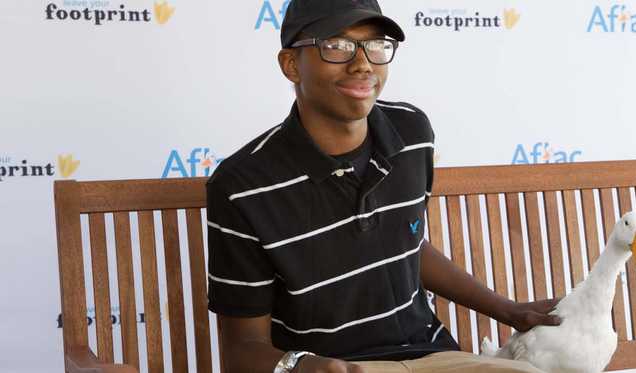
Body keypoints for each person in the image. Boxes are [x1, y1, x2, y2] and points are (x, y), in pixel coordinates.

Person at [205, 1, 560, 372]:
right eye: (337, 45)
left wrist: (507, 308)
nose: (362, 64)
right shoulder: (242, 186)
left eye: (375, 45)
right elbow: (242, 349)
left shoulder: (412, 134)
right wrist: (301, 366)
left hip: (432, 355)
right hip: (337, 367)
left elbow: (406, 243)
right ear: (291, 65)